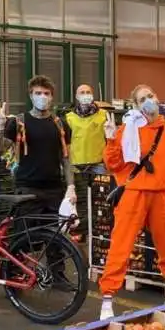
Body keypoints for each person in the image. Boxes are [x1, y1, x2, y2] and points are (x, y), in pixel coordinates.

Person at [99, 84, 165, 319]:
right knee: (121, 245)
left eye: (151, 95)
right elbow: (114, 165)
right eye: (143, 98)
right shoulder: (127, 129)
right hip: (133, 194)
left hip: (159, 196)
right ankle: (107, 299)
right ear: (136, 105)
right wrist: (110, 140)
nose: (149, 100)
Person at [0, 74, 76, 222]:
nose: (42, 97)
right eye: (38, 93)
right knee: (26, 239)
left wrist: (71, 187)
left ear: (52, 97)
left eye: (46, 93)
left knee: (54, 239)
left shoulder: (60, 124)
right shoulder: (18, 122)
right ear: (31, 96)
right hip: (26, 189)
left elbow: (66, 158)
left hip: (54, 190)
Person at [65, 84, 107, 238]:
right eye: (82, 92)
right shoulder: (69, 118)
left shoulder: (103, 115)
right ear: (76, 97)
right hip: (77, 165)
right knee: (81, 202)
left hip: (99, 165)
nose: (85, 95)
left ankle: (98, 233)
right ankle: (82, 232)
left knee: (100, 200)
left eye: (88, 92)